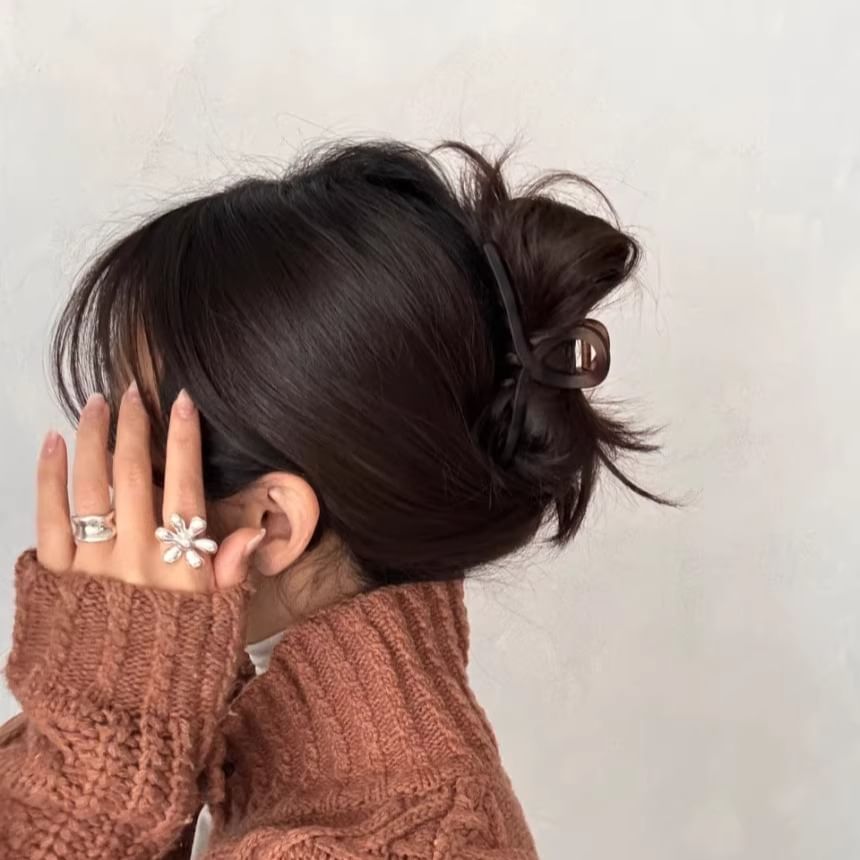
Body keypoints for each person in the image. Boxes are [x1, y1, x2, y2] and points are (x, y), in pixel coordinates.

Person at [0, 141, 661, 858]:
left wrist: (96, 759)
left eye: (141, 459)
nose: (105, 505)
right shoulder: (314, 769)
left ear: (271, 524)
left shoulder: (361, 844)